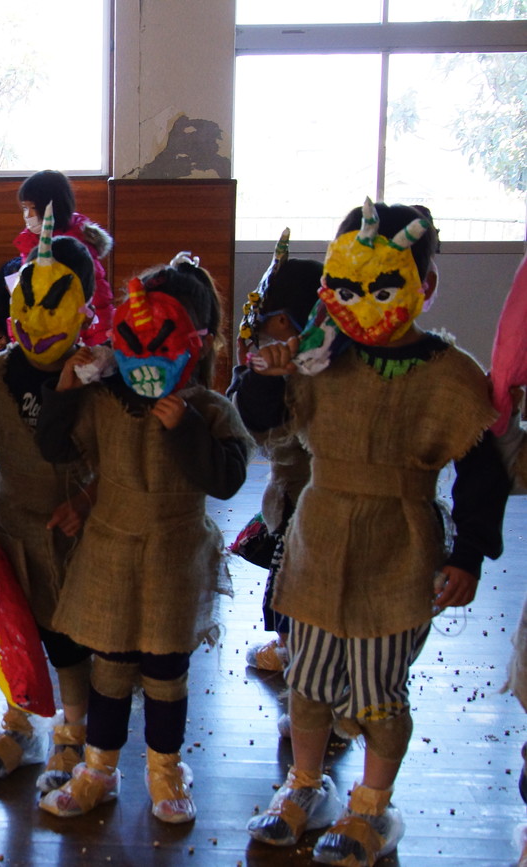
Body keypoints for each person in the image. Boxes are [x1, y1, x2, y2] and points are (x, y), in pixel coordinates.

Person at [238, 200, 509, 866]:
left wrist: (469, 553)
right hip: (319, 539)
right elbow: (264, 419)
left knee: (380, 693)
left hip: (399, 547)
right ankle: (304, 783)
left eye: (380, 288)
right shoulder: (320, 355)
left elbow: (482, 469)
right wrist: (267, 373)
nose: (362, 304)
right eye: (348, 287)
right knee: (307, 680)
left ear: (425, 283)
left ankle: (372, 805)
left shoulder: (450, 371)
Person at [34, 253, 251, 825]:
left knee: (165, 670)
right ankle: (99, 770)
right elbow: (56, 447)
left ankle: (165, 770)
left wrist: (186, 428)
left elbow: (226, 479)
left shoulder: (210, 408)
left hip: (176, 557)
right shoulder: (106, 402)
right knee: (109, 666)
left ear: (196, 344)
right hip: (110, 552)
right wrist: (65, 386)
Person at [0, 220, 96, 791]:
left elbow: (119, 458)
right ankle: (20, 723)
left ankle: (75, 733)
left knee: (68, 640)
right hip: (8, 524)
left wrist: (86, 499)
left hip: (74, 535)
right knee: (14, 629)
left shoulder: (97, 375)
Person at [227, 230, 322, 677]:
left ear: (284, 321)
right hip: (301, 497)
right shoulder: (319, 360)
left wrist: (257, 377)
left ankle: (293, 650)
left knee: (295, 581)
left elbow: (255, 424)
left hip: (304, 502)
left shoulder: (296, 369)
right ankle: (297, 647)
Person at [0, 170, 114, 349]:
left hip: (74, 348)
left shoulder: (74, 251)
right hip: (44, 345)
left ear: (52, 207)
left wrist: (95, 350)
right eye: (24, 208)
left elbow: (96, 306)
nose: (27, 215)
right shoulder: (30, 244)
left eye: (32, 208)